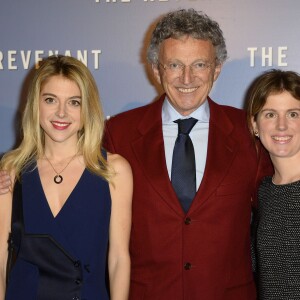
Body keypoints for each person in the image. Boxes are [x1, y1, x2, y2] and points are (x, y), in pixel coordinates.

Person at [0, 9, 272, 300]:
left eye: (200, 64)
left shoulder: (249, 133)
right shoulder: (119, 132)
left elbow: (279, 208)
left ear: (217, 68)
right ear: (156, 69)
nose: (187, 77)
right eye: (174, 65)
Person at [0, 55, 132, 300]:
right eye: (50, 100)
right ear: (35, 105)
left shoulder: (113, 169)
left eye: (74, 102)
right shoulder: (11, 169)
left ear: (87, 110)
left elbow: (118, 259)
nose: (61, 113)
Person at [247, 69, 300, 300]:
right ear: (254, 125)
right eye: (270, 114)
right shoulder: (263, 191)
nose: (281, 126)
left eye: (293, 114)